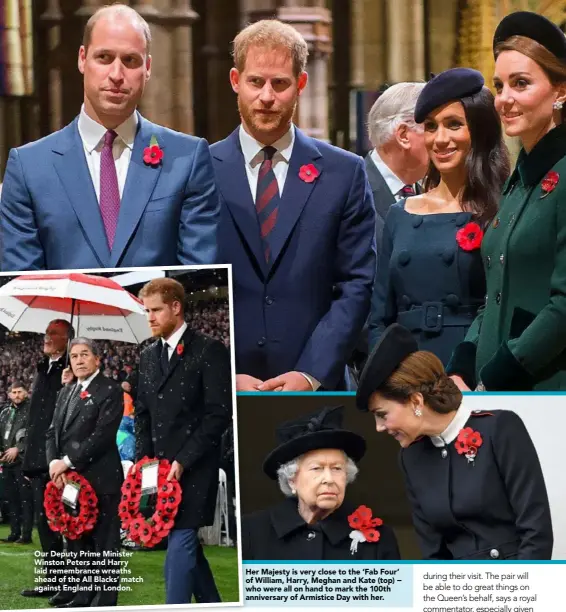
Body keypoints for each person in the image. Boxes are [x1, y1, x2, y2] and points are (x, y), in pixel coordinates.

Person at [212, 19, 376, 392]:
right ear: (236, 81)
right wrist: (222, 374)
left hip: (318, 387)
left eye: (280, 83)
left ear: (300, 84)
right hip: (224, 392)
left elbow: (356, 284)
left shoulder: (344, 173)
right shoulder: (199, 171)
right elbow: (189, 278)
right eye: (256, 82)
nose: (266, 96)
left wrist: (310, 372)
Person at [0, 3, 219, 271]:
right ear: (82, 59)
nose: (116, 75)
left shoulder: (188, 159)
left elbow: (200, 280)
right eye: (104, 58)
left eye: (130, 60)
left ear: (147, 68)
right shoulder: (28, 167)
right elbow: (22, 288)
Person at [356, 324, 553, 560]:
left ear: (416, 402)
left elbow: (537, 534)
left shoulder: (500, 428)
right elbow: (433, 554)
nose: (379, 428)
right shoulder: (410, 457)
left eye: (382, 414)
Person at [448, 12, 566, 391]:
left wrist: (501, 372)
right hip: (498, 390)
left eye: (521, 84)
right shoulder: (517, 181)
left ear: (561, 91)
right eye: (499, 86)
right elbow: (495, 294)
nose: (505, 100)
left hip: (545, 389)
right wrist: (464, 364)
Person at [368, 68, 509, 365]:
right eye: (431, 127)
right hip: (406, 369)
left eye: (454, 125)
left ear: (480, 131)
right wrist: (389, 374)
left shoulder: (504, 207)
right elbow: (378, 314)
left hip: (471, 368)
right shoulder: (401, 213)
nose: (440, 139)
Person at [135, 278, 232, 604]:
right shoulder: (147, 356)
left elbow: (218, 415)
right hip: (158, 470)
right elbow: (143, 414)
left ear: (176, 307)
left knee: (181, 536)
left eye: (156, 310)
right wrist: (143, 466)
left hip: (196, 466)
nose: (149, 317)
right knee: (186, 545)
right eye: (146, 310)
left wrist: (184, 459)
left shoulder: (209, 350)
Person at [241, 405, 400, 560]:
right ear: (292, 480)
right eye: (316, 468)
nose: (329, 479)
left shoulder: (380, 539)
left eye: (337, 469)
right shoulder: (251, 531)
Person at [46, 338, 124, 608]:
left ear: (97, 359)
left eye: (84, 355)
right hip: (69, 481)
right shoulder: (66, 391)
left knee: (103, 545)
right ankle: (81, 596)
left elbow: (102, 436)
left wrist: (66, 462)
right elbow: (52, 432)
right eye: (74, 356)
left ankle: (104, 601)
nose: (78, 360)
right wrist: (53, 464)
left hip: (102, 480)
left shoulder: (110, 391)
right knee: (77, 539)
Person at [19, 319, 72, 599]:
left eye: (54, 333)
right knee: (45, 522)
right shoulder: (43, 369)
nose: (47, 337)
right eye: (46, 332)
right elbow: (35, 420)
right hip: (38, 461)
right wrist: (29, 459)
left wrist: (71, 383)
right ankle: (53, 582)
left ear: (67, 339)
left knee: (67, 523)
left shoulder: (72, 369)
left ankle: (71, 584)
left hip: (61, 461)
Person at [365, 82, 429, 249]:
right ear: (404, 135)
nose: (442, 139)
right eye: (432, 127)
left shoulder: (429, 193)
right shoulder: (352, 191)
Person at [0, 383, 33, 544]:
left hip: (23, 462)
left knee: (25, 499)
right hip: (6, 463)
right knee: (11, 499)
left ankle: (26, 535)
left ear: (26, 393)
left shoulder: (32, 411)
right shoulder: (5, 412)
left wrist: (18, 449)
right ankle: (14, 532)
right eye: (13, 392)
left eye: (20, 391)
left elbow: (34, 434)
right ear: (9, 394)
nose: (17, 395)